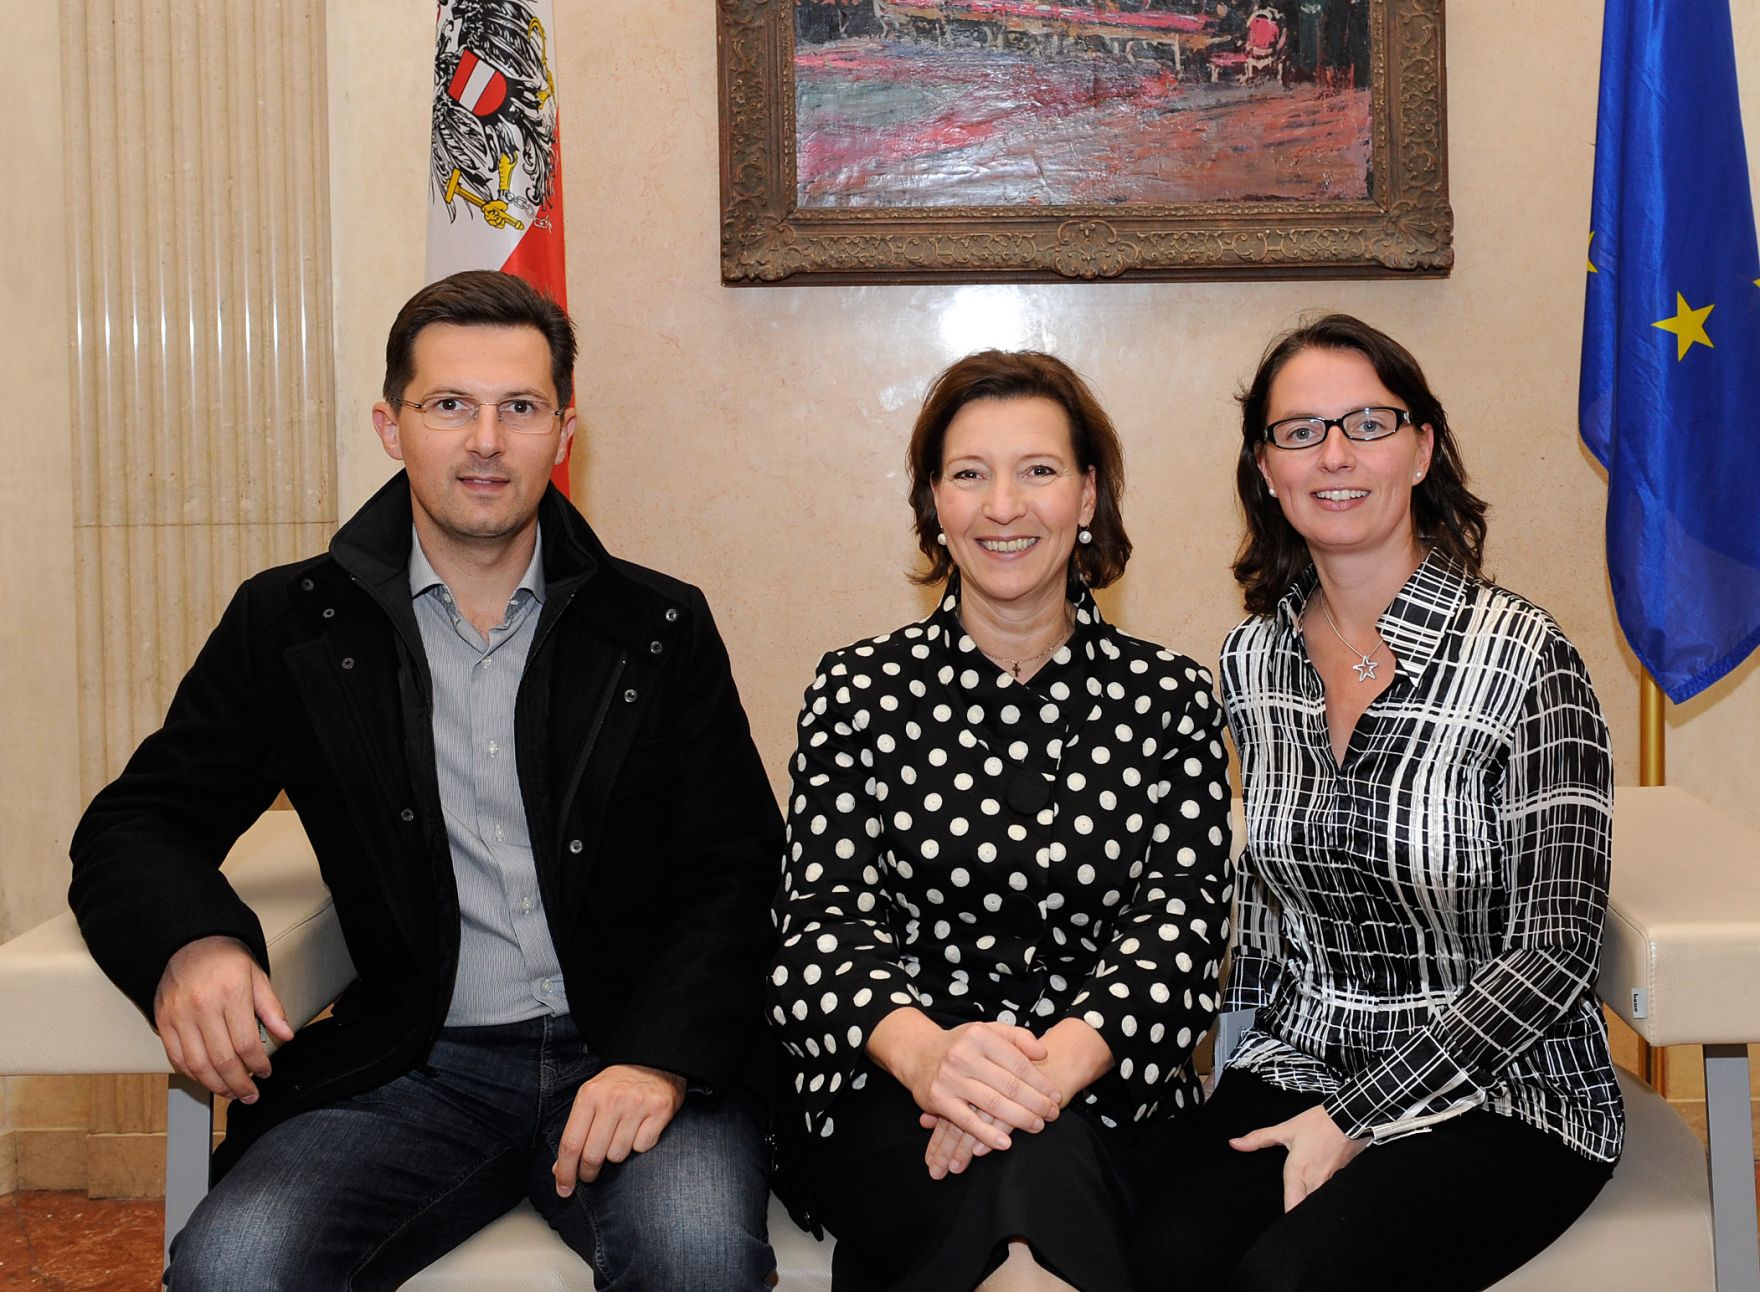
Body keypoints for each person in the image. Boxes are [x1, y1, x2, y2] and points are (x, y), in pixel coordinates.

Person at [69, 270, 782, 1291]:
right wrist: (192, 939)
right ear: (391, 425)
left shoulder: (656, 628)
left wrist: (661, 1055)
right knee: (232, 1265)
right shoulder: (293, 626)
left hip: (628, 1051)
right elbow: (138, 820)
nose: (485, 440)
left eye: (519, 407)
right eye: (448, 404)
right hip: (413, 1066)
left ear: (563, 430)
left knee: (700, 1261)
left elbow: (739, 865)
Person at [1130, 315, 1622, 1292]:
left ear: (1420, 445)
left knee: (1292, 1278)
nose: (1335, 454)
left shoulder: (1525, 658)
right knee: (1155, 1258)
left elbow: (1554, 949)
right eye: (1299, 430)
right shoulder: (1249, 661)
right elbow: (1262, 920)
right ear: (1263, 468)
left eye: (1367, 421)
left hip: (1503, 1088)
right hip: (1298, 1057)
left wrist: (1356, 1115)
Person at [770, 351, 1233, 1292]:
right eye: (969, 474)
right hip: (900, 1090)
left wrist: (1046, 1074)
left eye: (1039, 470)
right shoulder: (860, 690)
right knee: (1023, 1194)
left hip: (1110, 1082)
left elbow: (1184, 924)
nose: (1004, 506)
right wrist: (935, 1059)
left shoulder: (1169, 695)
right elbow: (818, 932)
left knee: (1037, 1171)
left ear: (1089, 494)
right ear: (933, 503)